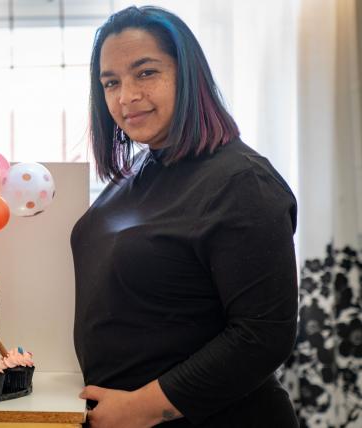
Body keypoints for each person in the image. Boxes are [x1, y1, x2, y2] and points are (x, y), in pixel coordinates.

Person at [71, 6, 299, 427]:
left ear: (188, 76)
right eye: (111, 82)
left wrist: (140, 408)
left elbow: (263, 335)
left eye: (146, 73)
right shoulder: (141, 169)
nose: (125, 96)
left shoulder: (242, 181)